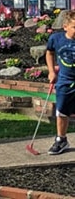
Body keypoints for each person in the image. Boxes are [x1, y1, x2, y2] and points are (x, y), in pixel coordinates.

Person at [45, 9, 75, 155]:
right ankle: (61, 139)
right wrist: (51, 71)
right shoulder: (56, 39)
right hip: (65, 80)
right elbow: (49, 52)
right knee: (62, 111)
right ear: (65, 27)